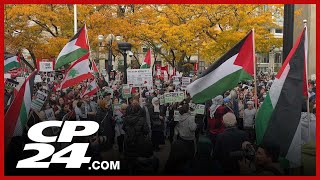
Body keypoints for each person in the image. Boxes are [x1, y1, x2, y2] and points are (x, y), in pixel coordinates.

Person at [123, 104, 150, 173]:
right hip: (139, 140)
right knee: (138, 158)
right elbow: (146, 130)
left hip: (128, 140)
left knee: (129, 157)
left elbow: (123, 128)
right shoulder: (142, 119)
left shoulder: (126, 118)